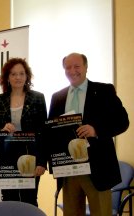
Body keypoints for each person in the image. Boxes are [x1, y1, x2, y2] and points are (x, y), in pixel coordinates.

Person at [48, 52, 129, 216]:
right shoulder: (57, 97)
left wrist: (96, 129)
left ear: (86, 67)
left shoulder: (104, 90)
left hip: (98, 168)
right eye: (68, 67)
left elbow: (122, 122)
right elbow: (51, 133)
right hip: (68, 169)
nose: (72, 71)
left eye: (77, 66)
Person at [0, 57, 47, 206]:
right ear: (7, 77)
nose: (18, 77)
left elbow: (44, 132)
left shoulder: (38, 98)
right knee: (9, 199)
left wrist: (42, 161)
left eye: (22, 73)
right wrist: (2, 130)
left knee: (29, 199)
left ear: (27, 76)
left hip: (30, 156)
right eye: (13, 74)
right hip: (5, 157)